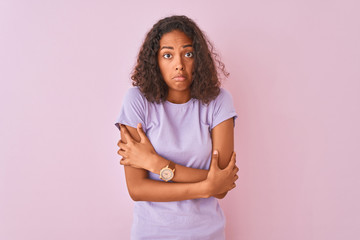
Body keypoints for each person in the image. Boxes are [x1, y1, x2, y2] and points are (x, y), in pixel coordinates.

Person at [115, 15, 239, 240]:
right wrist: (204, 187)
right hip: (151, 233)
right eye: (168, 55)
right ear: (155, 60)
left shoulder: (219, 101)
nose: (179, 64)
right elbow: (137, 189)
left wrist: (156, 164)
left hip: (207, 233)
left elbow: (221, 186)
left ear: (198, 59)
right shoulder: (137, 101)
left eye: (188, 54)